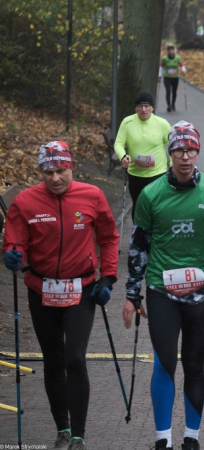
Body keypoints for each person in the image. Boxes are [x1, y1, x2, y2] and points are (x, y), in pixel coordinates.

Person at [123, 121, 204, 450]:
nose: (185, 156)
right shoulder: (150, 195)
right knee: (165, 361)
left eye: (191, 150)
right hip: (162, 292)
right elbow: (138, 247)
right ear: (170, 153)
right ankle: (163, 440)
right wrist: (133, 294)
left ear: (198, 152)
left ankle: (192, 438)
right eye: (179, 150)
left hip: (201, 294)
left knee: (194, 363)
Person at [3, 141, 119, 450]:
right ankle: (62, 429)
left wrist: (107, 276)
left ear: (71, 168)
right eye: (48, 172)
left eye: (61, 171)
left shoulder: (91, 196)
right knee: (53, 360)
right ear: (40, 172)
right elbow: (14, 240)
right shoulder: (25, 202)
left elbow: (108, 237)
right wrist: (13, 254)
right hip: (41, 291)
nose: (55, 178)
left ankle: (79, 435)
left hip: (81, 290)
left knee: (74, 357)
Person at [114, 91, 171, 220]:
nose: (144, 109)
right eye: (140, 106)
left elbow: (172, 146)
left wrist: (172, 167)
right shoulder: (127, 123)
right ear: (135, 108)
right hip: (135, 174)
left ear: (152, 107)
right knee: (138, 205)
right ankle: (137, 234)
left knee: (155, 205)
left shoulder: (163, 124)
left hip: (157, 173)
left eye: (147, 106)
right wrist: (123, 157)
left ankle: (155, 233)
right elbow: (118, 143)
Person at [159, 45, 186, 112]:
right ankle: (169, 106)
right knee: (168, 91)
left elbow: (181, 64)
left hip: (175, 77)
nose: (171, 52)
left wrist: (183, 70)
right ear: (168, 51)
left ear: (174, 51)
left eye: (172, 51)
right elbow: (161, 67)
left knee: (174, 91)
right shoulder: (165, 58)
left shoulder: (177, 58)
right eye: (170, 51)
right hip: (167, 77)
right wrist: (159, 76)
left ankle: (173, 104)